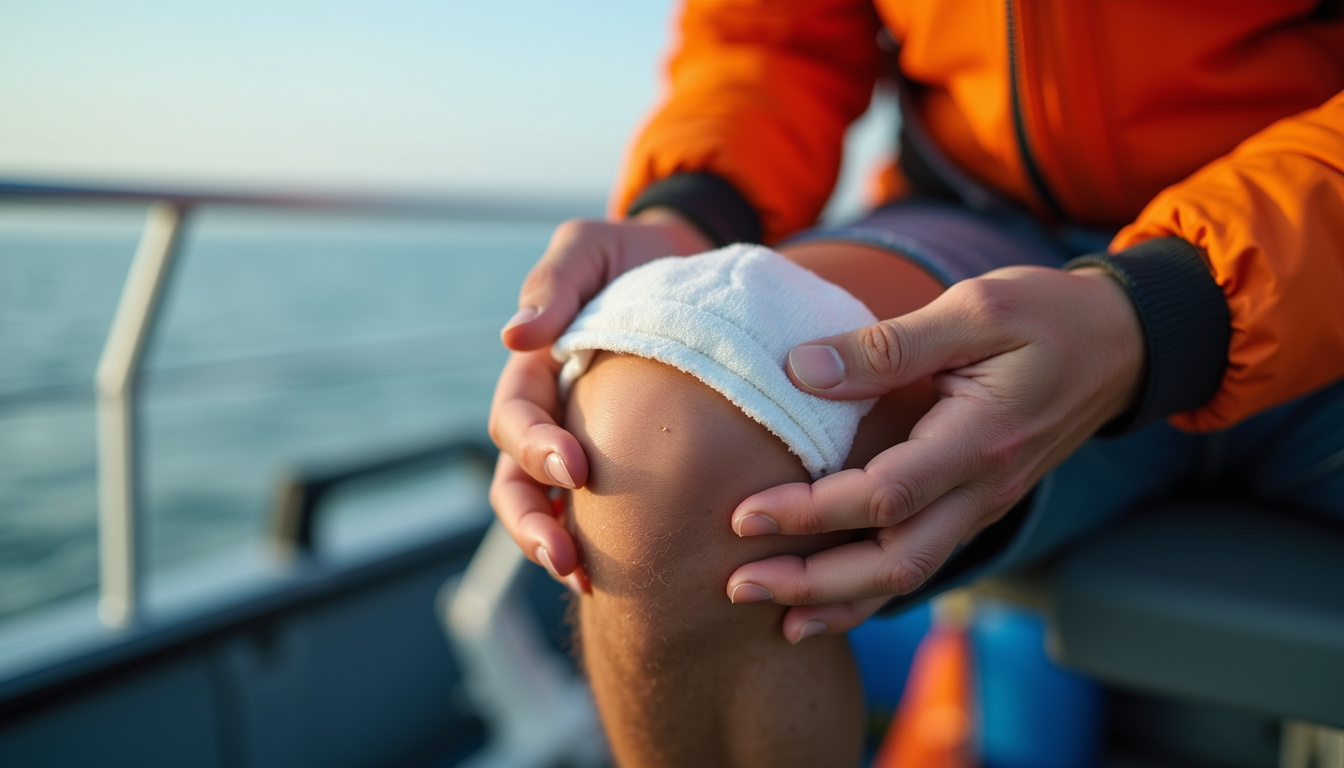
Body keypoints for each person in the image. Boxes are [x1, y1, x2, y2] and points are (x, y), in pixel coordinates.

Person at [488, 2, 1344, 764]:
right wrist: (687, 210)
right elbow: (770, 35)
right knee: (660, 439)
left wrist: (1164, 313)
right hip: (992, 235)